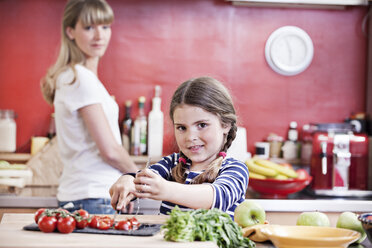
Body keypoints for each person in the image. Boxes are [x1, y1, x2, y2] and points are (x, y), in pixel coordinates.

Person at [40, 0, 138, 214]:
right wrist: (135, 176)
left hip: (88, 195)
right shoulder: (80, 78)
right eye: (88, 27)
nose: (99, 36)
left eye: (105, 27)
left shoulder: (76, 77)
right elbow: (110, 151)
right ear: (70, 31)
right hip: (93, 197)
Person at [110, 76, 249, 218]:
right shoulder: (171, 164)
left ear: (225, 125)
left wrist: (166, 189)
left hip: (212, 241)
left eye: (202, 125)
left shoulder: (235, 169)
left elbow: (217, 197)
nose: (190, 137)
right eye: (182, 127)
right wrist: (128, 180)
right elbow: (142, 180)